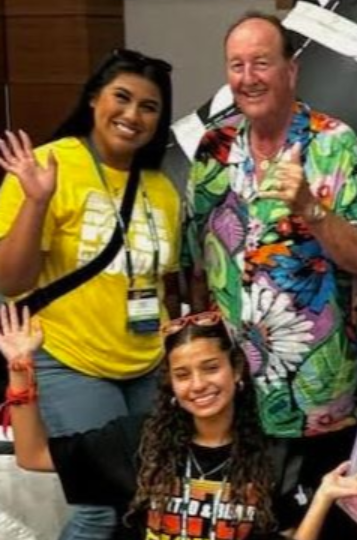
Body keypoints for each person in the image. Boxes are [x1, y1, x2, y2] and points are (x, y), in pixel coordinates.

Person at [183, 12, 357, 538]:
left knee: (331, 527)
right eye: (237, 65)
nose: (248, 76)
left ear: (291, 70)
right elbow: (197, 269)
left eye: (262, 63)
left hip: (322, 400)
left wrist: (310, 208)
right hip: (236, 401)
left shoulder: (334, 143)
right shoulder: (212, 150)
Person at [0, 303, 357, 540]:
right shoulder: (136, 440)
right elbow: (32, 455)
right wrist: (20, 367)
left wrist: (322, 497)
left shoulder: (275, 452)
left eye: (210, 368)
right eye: (183, 375)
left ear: (236, 370)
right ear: (171, 384)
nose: (198, 384)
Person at [0, 49, 181, 540]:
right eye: (121, 98)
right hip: (70, 359)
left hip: (146, 366)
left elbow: (165, 282)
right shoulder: (48, 165)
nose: (132, 115)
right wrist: (37, 199)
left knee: (150, 500)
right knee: (101, 508)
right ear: (93, 99)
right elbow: (10, 282)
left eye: (149, 106)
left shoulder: (162, 188)